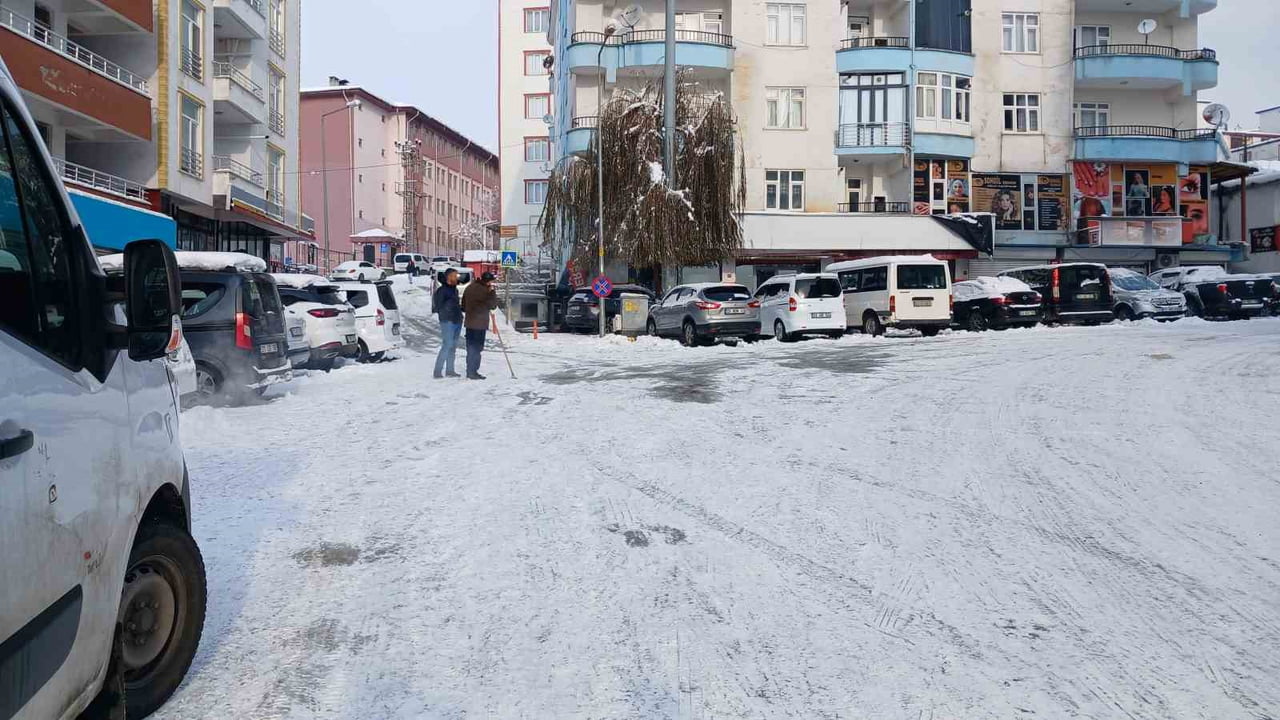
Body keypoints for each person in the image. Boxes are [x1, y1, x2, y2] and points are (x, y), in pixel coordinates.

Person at [461, 271, 499, 380]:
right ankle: (473, 371)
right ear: (488, 281)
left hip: (469, 323)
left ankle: (469, 370)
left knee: (470, 348)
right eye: (491, 281)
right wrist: (492, 293)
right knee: (477, 348)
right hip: (479, 324)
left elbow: (463, 306)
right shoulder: (485, 291)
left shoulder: (470, 287)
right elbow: (493, 306)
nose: (492, 283)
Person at [432, 268, 463, 379]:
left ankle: (450, 370)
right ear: (449, 277)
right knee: (447, 345)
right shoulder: (442, 290)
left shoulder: (455, 290)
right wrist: (446, 314)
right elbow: (438, 306)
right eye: (455, 275)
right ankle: (437, 371)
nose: (457, 277)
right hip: (447, 321)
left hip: (457, 320)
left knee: (453, 347)